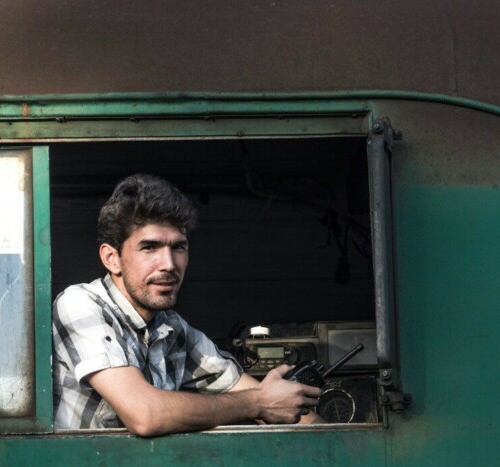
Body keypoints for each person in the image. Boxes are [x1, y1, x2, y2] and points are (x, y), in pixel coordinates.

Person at [52, 174, 322, 436]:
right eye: (149, 248)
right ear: (112, 259)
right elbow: (145, 415)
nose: (169, 264)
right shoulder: (79, 304)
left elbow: (261, 396)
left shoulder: (172, 329)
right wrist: (257, 403)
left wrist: (343, 443)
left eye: (178, 248)